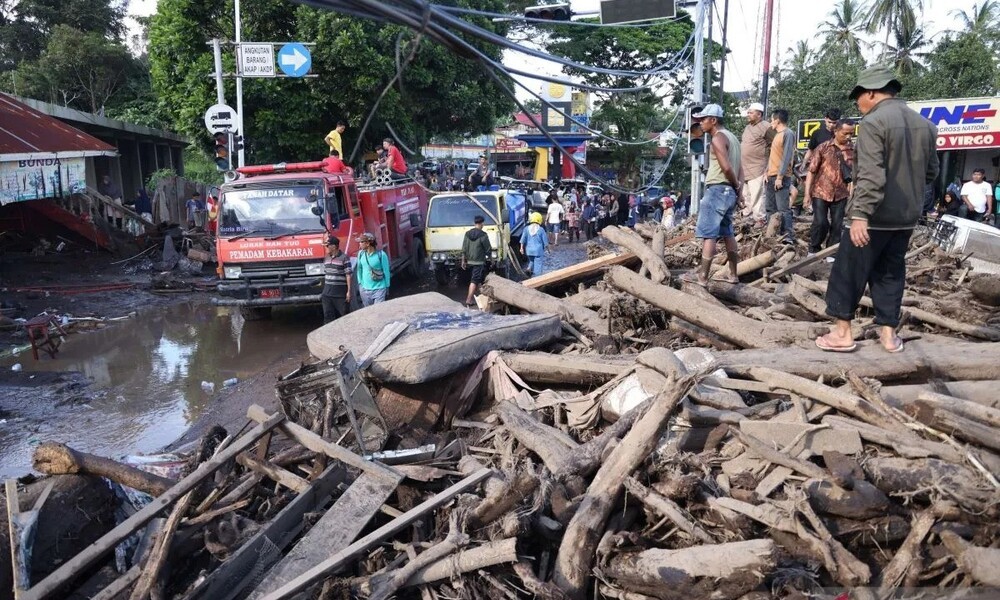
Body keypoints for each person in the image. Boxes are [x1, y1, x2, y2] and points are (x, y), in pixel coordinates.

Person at [816, 65, 938, 354]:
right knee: (890, 273)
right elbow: (931, 172)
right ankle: (888, 335)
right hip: (905, 217)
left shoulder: (874, 122)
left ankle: (842, 333)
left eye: (858, 97)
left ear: (871, 92)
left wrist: (860, 214)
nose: (858, 104)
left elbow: (871, 175)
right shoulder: (925, 125)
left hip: (874, 216)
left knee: (848, 271)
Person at [681, 104, 743, 286]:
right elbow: (741, 168)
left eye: (703, 119)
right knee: (728, 233)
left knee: (709, 235)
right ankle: (733, 275)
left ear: (713, 120)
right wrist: (738, 190)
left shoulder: (717, 139)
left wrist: (735, 184)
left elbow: (727, 168)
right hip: (729, 192)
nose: (700, 123)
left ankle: (702, 277)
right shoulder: (733, 138)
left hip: (717, 189)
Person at [805, 119, 855, 256]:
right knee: (820, 222)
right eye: (845, 133)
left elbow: (856, 173)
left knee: (837, 224)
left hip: (841, 193)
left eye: (851, 134)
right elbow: (811, 171)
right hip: (820, 191)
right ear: (836, 131)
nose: (848, 137)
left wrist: (852, 192)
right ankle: (814, 248)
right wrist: (807, 194)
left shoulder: (853, 150)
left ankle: (831, 253)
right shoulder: (823, 148)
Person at [765, 108, 796, 245]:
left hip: (780, 177)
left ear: (777, 121)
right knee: (770, 207)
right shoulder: (777, 135)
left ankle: (788, 236)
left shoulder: (788, 134)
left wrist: (780, 177)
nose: (771, 122)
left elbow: (786, 156)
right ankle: (771, 235)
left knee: (783, 208)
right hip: (771, 176)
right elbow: (773, 157)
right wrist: (766, 172)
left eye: (772, 120)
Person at [740, 102, 771, 224]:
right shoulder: (747, 128)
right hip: (744, 168)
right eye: (748, 112)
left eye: (751, 112)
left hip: (758, 167)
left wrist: (768, 168)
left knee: (757, 195)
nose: (748, 114)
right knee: (746, 195)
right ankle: (748, 217)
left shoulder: (766, 127)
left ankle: (760, 219)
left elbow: (775, 146)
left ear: (759, 114)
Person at [461, 215, 492, 307]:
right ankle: (469, 299)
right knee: (474, 280)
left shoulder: (467, 234)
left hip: (469, 261)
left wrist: (463, 260)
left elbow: (464, 248)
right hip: (479, 261)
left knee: (478, 279)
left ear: (474, 223)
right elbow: (488, 249)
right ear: (481, 223)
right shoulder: (483, 235)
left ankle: (482, 298)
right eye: (483, 224)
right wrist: (491, 259)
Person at [321, 235, 352, 324]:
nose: (326, 248)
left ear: (334, 246)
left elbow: (348, 275)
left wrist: (349, 292)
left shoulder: (344, 258)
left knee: (344, 317)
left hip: (340, 294)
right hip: (327, 294)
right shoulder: (326, 258)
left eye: (327, 246)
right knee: (328, 317)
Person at [355, 232, 391, 306]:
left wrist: (387, 286)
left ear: (368, 243)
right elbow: (359, 270)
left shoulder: (381, 255)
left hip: (379, 289)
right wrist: (360, 284)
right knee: (369, 311)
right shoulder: (361, 254)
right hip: (365, 289)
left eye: (361, 242)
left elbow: (386, 271)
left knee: (378, 311)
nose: (359, 244)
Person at [520, 211, 548, 276]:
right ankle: (537, 277)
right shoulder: (541, 229)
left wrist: (521, 248)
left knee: (531, 260)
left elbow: (522, 240)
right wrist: (548, 249)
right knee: (538, 265)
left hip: (529, 250)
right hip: (538, 251)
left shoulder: (526, 229)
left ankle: (529, 268)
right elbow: (545, 242)